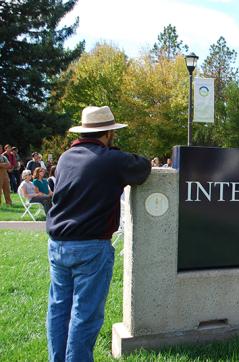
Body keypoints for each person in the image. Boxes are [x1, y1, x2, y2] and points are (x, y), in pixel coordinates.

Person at [46, 105, 151, 361]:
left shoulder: (65, 157)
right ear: (109, 133)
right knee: (86, 314)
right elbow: (143, 167)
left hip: (58, 243)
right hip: (91, 246)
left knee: (59, 309)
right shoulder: (111, 159)